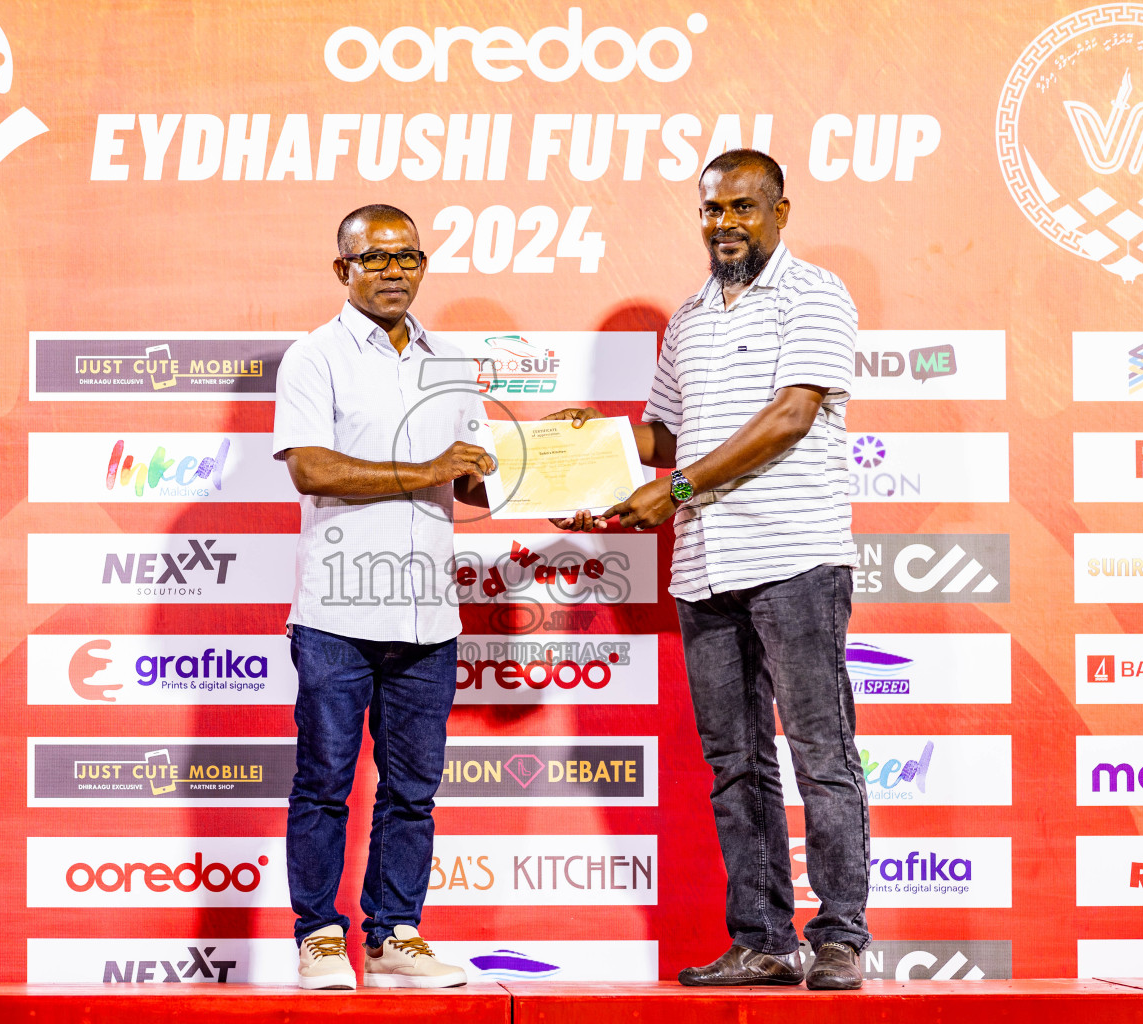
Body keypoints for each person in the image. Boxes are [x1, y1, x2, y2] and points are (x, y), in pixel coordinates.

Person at [549, 150, 869, 990]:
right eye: (711, 210)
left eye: (742, 207)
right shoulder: (689, 316)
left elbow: (792, 415)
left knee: (821, 753)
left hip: (794, 555)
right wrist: (589, 456)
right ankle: (763, 938)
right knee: (735, 763)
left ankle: (840, 936)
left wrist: (679, 487)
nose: (724, 223)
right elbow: (660, 433)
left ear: (780, 212)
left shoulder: (818, 294)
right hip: (703, 563)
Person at [272, 203, 492, 990]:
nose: (396, 271)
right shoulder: (314, 357)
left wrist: (500, 471)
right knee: (325, 783)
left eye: (410, 258)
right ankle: (318, 934)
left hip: (429, 613)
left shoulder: (454, 361)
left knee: (413, 791)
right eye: (378, 259)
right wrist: (427, 467)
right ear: (344, 270)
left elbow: (473, 491)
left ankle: (395, 932)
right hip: (335, 613)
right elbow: (313, 470)